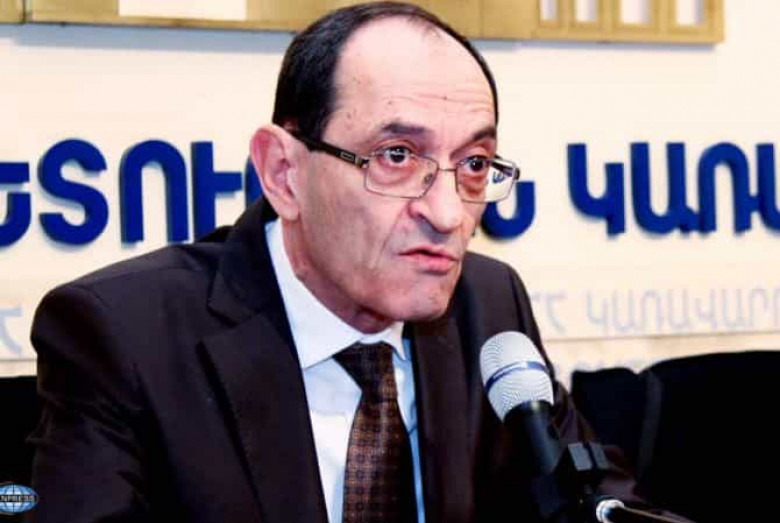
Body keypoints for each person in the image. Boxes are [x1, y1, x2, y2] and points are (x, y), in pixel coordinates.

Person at [28, 2, 647, 522]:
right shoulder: (125, 336)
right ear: (284, 173)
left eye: (475, 164)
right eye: (397, 156)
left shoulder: (487, 304)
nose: (448, 214)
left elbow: (595, 502)